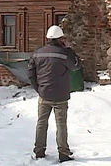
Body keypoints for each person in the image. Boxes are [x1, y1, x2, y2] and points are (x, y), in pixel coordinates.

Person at [28, 25, 81, 163]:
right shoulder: (63, 53)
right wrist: (69, 49)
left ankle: (39, 151)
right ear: (60, 39)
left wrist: (39, 89)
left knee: (41, 123)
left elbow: (30, 74)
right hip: (60, 96)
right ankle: (63, 153)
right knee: (61, 124)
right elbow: (76, 66)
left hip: (44, 94)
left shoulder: (37, 53)